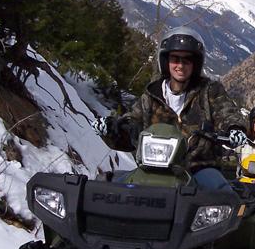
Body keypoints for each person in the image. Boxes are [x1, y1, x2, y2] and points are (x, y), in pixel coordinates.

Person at [103, 26, 247, 188]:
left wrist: (235, 129)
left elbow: (228, 113)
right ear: (166, 61)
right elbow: (131, 126)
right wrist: (111, 129)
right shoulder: (151, 96)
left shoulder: (210, 91)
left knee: (222, 195)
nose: (180, 65)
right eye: (175, 59)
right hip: (154, 169)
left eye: (186, 60)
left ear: (195, 64)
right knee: (114, 189)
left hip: (199, 168)